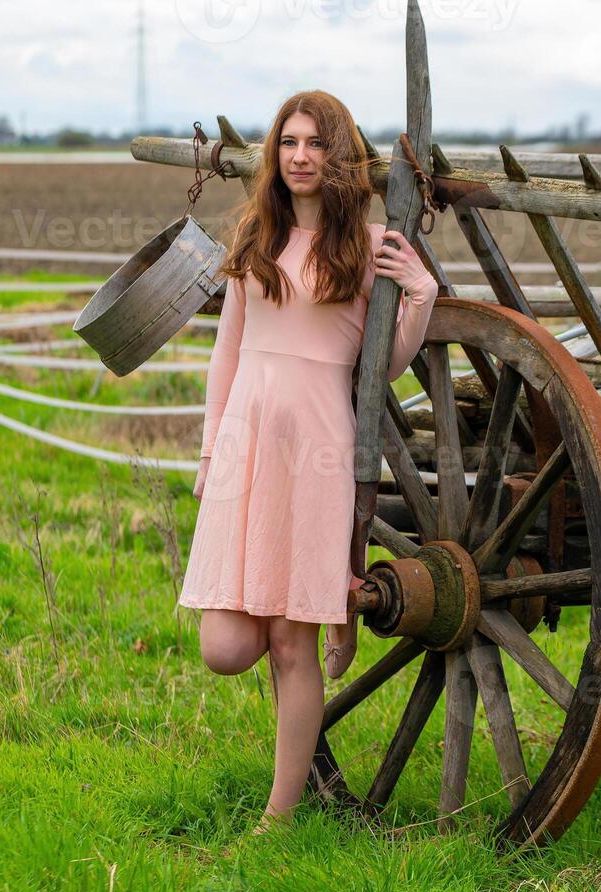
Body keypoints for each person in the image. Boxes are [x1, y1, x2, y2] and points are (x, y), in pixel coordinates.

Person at [177, 90, 437, 835]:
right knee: (226, 644)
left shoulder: (366, 245)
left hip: (316, 447)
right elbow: (227, 354)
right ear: (275, 153)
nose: (299, 156)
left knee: (292, 645)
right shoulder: (259, 235)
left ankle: (279, 817)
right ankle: (330, 612)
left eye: (315, 143)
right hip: (246, 444)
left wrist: (420, 293)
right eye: (288, 142)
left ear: (338, 155)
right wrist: (209, 447)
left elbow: (382, 366)